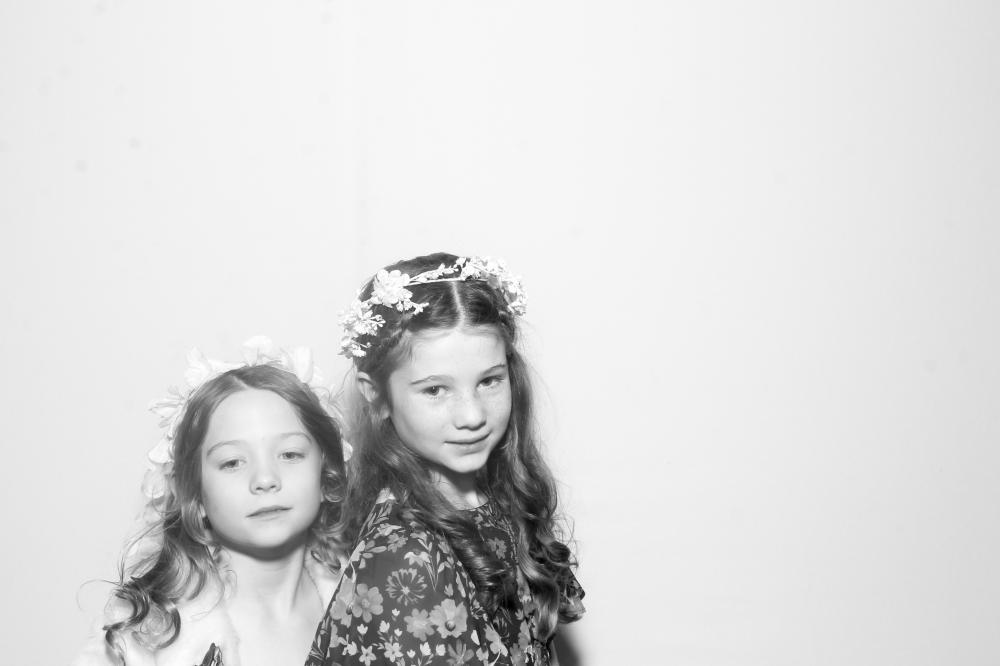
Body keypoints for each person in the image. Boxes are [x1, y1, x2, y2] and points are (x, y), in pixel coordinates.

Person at [307, 254, 584, 666]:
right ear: (376, 395)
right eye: (435, 390)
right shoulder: (407, 560)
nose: (472, 415)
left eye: (489, 381)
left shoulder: (501, 498)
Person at [74, 337, 348, 666]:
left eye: (290, 454)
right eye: (232, 462)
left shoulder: (372, 600)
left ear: (327, 475)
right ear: (195, 494)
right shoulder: (141, 633)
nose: (265, 479)